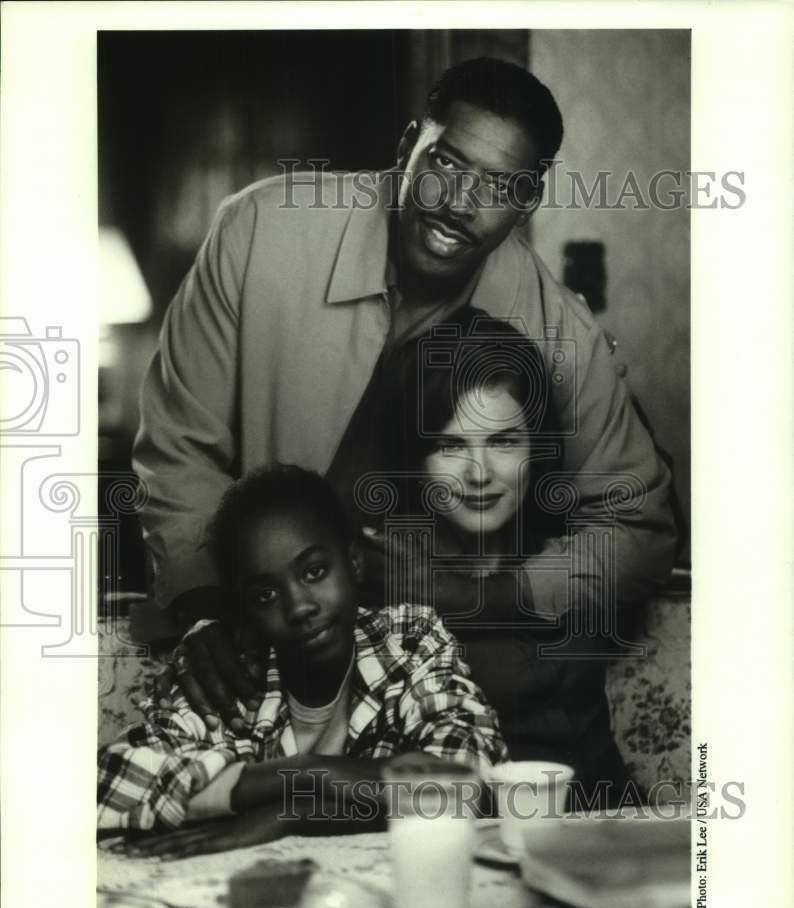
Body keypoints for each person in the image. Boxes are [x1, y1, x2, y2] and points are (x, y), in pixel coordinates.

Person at [134, 57, 677, 732]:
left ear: (528, 201)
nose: (460, 203)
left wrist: (478, 593)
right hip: (267, 660)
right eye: (446, 163)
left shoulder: (558, 326)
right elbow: (179, 446)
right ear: (407, 146)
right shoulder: (258, 234)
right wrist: (204, 605)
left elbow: (638, 529)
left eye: (499, 185)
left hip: (440, 688)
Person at [98, 466, 506, 857]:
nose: (299, 607)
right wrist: (305, 773)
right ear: (243, 612)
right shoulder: (228, 673)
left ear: (354, 563)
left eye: (314, 572)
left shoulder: (410, 639)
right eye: (265, 596)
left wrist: (299, 812)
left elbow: (469, 781)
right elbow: (109, 783)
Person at [369, 305, 633, 802]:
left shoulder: (576, 556)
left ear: (536, 446)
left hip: (610, 822)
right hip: (473, 825)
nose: (480, 473)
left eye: (504, 441)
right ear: (414, 459)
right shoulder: (389, 577)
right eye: (450, 445)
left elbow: (656, 526)